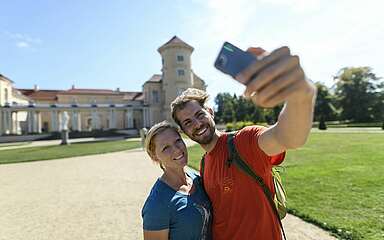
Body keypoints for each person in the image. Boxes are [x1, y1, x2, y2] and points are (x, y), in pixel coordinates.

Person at [170, 46, 316, 240]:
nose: (197, 124)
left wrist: (301, 95)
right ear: (184, 131)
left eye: (200, 115)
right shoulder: (205, 163)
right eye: (188, 122)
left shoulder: (244, 141)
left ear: (211, 113)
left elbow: (288, 137)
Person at [141, 121, 212, 240]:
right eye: (166, 148)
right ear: (154, 156)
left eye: (178, 141)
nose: (177, 150)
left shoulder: (197, 179)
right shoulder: (157, 204)